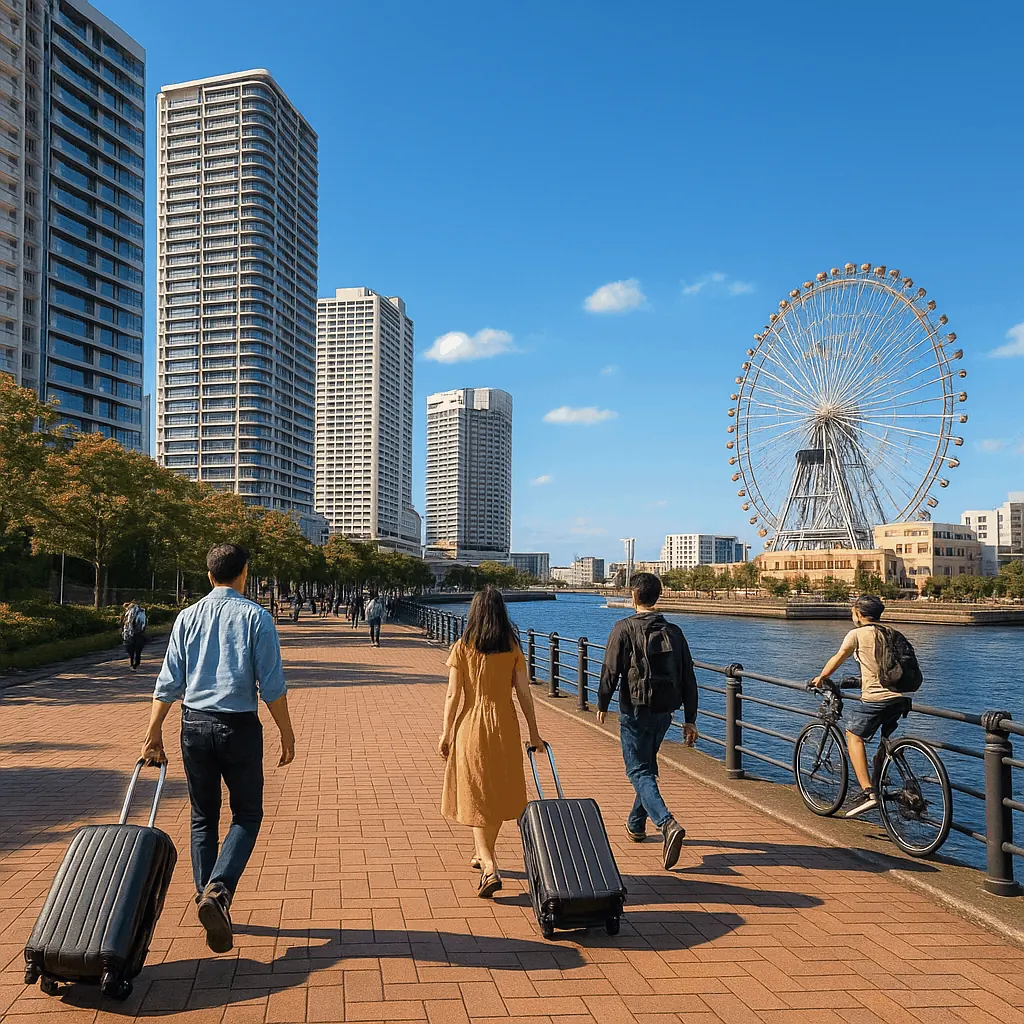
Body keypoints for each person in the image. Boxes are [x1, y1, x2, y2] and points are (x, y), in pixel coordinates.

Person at [140, 543, 296, 955]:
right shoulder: (256, 618)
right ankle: (220, 892)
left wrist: (153, 732)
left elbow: (168, 680)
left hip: (192, 724)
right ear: (244, 574)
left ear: (210, 576)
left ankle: (206, 896)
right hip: (238, 726)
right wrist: (287, 732)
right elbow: (272, 684)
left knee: (202, 816)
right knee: (247, 813)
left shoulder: (187, 617)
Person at [438, 586, 544, 898]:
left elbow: (453, 695)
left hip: (470, 724)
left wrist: (445, 733)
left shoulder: (462, 647)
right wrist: (534, 733)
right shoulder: (512, 646)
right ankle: (482, 853)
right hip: (505, 725)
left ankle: (488, 864)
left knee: (475, 792)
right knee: (494, 793)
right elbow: (524, 693)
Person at [597, 572, 698, 871]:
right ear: (659, 596)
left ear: (634, 596)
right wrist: (690, 719)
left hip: (634, 710)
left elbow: (610, 670)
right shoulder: (675, 631)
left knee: (638, 770)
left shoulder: (623, 628)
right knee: (647, 767)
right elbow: (689, 677)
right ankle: (635, 825)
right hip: (665, 712)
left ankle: (666, 824)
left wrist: (602, 703)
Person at [811, 594, 913, 819]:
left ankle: (870, 793)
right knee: (884, 743)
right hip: (900, 698)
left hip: (876, 699)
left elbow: (838, 657)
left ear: (858, 614)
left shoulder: (856, 634)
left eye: (853, 612)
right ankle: (891, 780)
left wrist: (821, 677)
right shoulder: (892, 633)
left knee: (853, 736)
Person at [122, 599, 147, 672]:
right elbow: (144, 624)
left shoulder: (127, 614)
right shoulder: (141, 613)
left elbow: (124, 625)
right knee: (138, 650)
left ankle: (133, 663)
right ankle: (136, 663)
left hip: (130, 634)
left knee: (131, 650)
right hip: (139, 634)